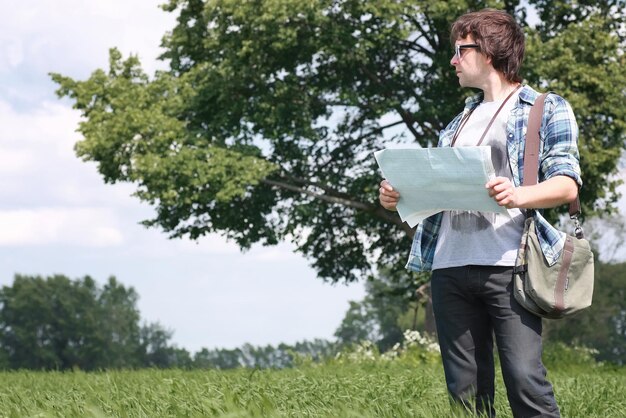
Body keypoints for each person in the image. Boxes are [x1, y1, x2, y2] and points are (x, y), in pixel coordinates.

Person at [378, 8, 582, 418]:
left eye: (460, 50)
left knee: (526, 380)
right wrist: (398, 195)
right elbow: (438, 193)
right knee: (466, 393)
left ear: (488, 51)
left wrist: (518, 194)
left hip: (510, 266)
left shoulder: (544, 108)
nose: (453, 60)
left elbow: (567, 184)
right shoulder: (457, 122)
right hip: (449, 267)